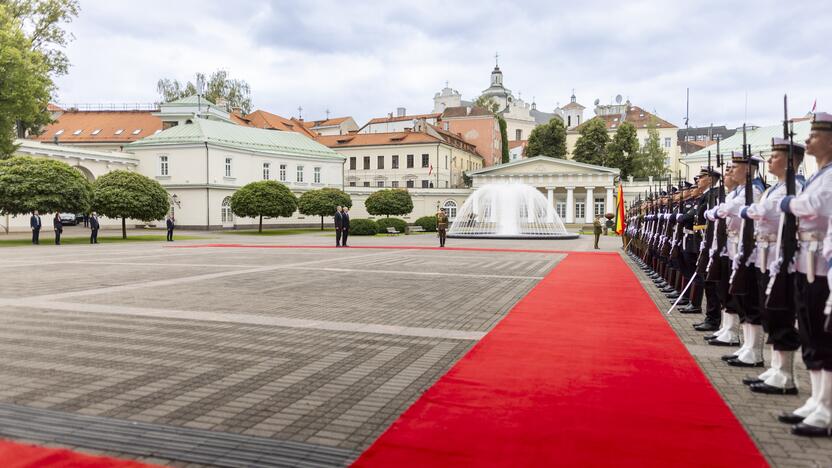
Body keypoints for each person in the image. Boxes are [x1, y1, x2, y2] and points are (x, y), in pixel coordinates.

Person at [777, 112, 832, 437]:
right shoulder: (818, 174)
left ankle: (826, 406)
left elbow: (815, 205)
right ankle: (817, 399)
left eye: (814, 135)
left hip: (822, 265)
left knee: (823, 335)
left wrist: (790, 203)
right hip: (805, 261)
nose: (808, 140)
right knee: (810, 330)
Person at [741, 138, 805, 395]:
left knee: (781, 311)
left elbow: (775, 212)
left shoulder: (796, 187)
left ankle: (786, 374)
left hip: (784, 257)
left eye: (774, 156)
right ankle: (777, 367)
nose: (769, 160)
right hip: (765, 253)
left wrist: (760, 209)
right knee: (770, 310)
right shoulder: (773, 189)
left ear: (790, 162)